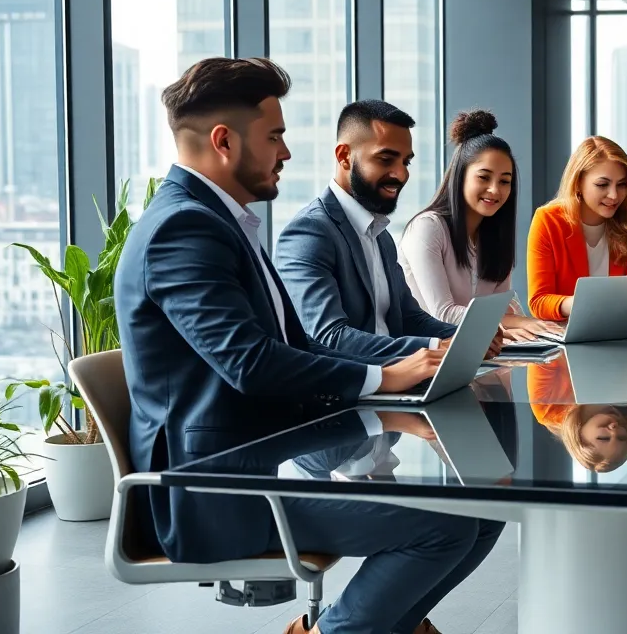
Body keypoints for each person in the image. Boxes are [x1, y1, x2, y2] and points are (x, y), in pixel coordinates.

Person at [114, 57, 503, 634]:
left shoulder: (221, 223)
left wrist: (394, 395)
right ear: (224, 141)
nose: (287, 153)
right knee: (443, 526)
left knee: (486, 510)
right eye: (275, 136)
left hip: (265, 454)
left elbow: (294, 346)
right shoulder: (182, 228)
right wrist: (384, 380)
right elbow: (250, 362)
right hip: (215, 491)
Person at [275, 99, 502, 365]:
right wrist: (436, 347)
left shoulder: (379, 234)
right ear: (344, 156)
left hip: (399, 381)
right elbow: (329, 337)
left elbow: (408, 317)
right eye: (386, 159)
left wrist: (468, 337)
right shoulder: (309, 233)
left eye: (406, 162)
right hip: (352, 394)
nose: (400, 174)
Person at [399, 109, 561, 342]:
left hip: (481, 354)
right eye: (484, 177)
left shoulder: (494, 236)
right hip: (430, 359)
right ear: (460, 176)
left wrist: (535, 327)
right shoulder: (427, 228)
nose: (495, 190)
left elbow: (500, 309)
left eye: (505, 181)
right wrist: (515, 325)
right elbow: (443, 314)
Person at [526, 136, 627, 321]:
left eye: (621, 185)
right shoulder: (549, 220)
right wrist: (583, 303)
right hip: (569, 338)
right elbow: (539, 301)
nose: (614, 195)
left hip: (621, 335)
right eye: (602, 184)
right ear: (578, 182)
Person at [526, 358, 627, 472]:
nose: (615, 428)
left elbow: (545, 354)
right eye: (622, 437)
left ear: (579, 438)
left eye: (603, 438)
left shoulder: (548, 409)